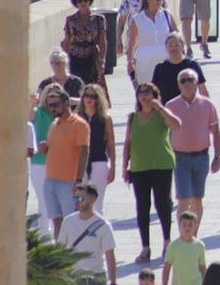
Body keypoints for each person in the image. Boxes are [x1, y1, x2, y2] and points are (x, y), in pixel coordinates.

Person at [123, 82, 182, 263]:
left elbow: (176, 125)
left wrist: (160, 108)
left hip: (161, 164)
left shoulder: (160, 114)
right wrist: (125, 166)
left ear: (155, 94)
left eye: (148, 92)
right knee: (142, 206)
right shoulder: (133, 117)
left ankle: (166, 241)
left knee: (163, 204)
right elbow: (127, 143)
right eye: (141, 93)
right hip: (140, 167)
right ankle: (145, 247)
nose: (144, 96)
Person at [167, 68, 220, 231]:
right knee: (183, 200)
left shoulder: (207, 104)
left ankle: (194, 234)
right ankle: (184, 235)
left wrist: (217, 157)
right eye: (183, 81)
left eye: (190, 79)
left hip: (201, 157)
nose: (187, 83)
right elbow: (164, 134)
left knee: (197, 199)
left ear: (197, 83)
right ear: (178, 85)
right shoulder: (171, 105)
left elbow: (216, 131)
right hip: (180, 158)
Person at [41, 88, 90, 238]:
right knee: (56, 221)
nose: (52, 108)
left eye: (55, 104)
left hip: (69, 182)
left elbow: (84, 152)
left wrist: (79, 180)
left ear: (66, 103)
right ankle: (60, 255)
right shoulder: (54, 124)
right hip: (50, 180)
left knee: (72, 221)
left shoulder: (79, 124)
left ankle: (76, 256)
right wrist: (45, 148)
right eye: (49, 105)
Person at [56, 184, 116, 284]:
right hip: (74, 277)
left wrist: (113, 282)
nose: (76, 202)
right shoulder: (67, 221)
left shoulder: (104, 226)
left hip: (97, 277)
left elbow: (110, 256)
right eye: (75, 198)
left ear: (92, 199)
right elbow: (60, 250)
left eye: (80, 198)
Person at [128, 0, 178, 89]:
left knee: (167, 91)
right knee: (147, 92)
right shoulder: (137, 19)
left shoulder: (166, 15)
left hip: (165, 60)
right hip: (145, 63)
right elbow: (132, 42)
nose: (159, 1)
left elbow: (177, 36)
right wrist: (130, 62)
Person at [62, 0, 108, 96]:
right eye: (79, 1)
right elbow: (67, 42)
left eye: (85, 0)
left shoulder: (99, 19)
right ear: (76, 3)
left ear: (90, 1)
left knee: (93, 90)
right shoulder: (71, 20)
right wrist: (64, 62)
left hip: (92, 58)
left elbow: (102, 42)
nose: (83, 3)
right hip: (75, 59)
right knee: (76, 90)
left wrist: (102, 60)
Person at [77, 84, 116, 213]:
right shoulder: (77, 118)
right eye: (86, 96)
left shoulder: (105, 118)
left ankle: (98, 231)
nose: (89, 99)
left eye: (93, 96)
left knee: (97, 203)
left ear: (98, 99)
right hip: (80, 164)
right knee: (81, 202)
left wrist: (113, 168)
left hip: (99, 161)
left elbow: (111, 144)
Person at [28, 86, 61, 226]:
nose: (52, 100)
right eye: (49, 95)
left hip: (58, 162)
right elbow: (29, 114)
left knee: (55, 199)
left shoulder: (63, 115)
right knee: (43, 198)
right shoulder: (38, 112)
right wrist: (31, 104)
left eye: (56, 96)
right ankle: (45, 233)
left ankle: (55, 231)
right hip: (39, 162)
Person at [151, 32, 209, 105]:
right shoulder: (160, 68)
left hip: (189, 108)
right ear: (166, 47)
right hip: (166, 110)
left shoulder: (192, 65)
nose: (173, 48)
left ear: (182, 46)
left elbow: (202, 88)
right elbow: (153, 92)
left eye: (177, 45)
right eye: (170, 45)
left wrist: (208, 107)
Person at [163, 211, 206, 285]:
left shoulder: (200, 246)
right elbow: (166, 269)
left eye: (190, 225)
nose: (187, 227)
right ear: (179, 226)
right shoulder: (173, 246)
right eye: (184, 225)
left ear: (196, 226)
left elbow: (202, 268)